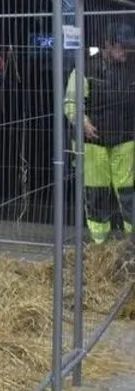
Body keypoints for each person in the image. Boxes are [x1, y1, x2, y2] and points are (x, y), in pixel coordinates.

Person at [63, 23, 135, 244]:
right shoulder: (85, 69)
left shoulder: (132, 68)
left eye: (129, 47)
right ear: (107, 45)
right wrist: (81, 121)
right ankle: (99, 244)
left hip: (126, 140)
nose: (127, 51)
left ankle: (131, 244)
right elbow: (71, 102)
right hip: (93, 144)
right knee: (96, 195)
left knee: (130, 193)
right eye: (122, 47)